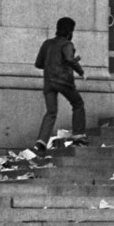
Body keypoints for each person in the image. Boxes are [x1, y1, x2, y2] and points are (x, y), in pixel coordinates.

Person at [33, 17, 87, 157]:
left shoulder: (47, 43)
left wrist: (50, 63)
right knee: (78, 104)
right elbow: (69, 59)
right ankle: (78, 136)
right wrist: (80, 70)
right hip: (64, 81)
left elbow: (38, 63)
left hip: (48, 82)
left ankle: (41, 142)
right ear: (70, 31)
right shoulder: (67, 44)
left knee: (51, 112)